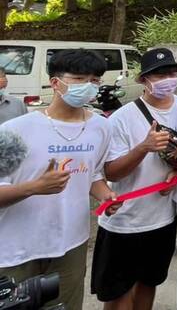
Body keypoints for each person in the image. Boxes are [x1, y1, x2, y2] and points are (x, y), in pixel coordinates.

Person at [0, 49, 121, 309]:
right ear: (56, 82)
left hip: (71, 245)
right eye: (79, 79)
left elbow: (93, 175)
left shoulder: (101, 127)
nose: (89, 86)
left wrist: (104, 195)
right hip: (16, 250)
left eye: (95, 80)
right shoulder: (15, 132)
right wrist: (34, 188)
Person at [91, 48, 177, 310]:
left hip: (163, 219)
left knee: (149, 283)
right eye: (158, 75)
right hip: (124, 222)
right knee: (118, 293)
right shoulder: (122, 119)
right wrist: (143, 148)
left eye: (171, 73)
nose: (166, 79)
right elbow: (111, 172)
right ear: (143, 80)